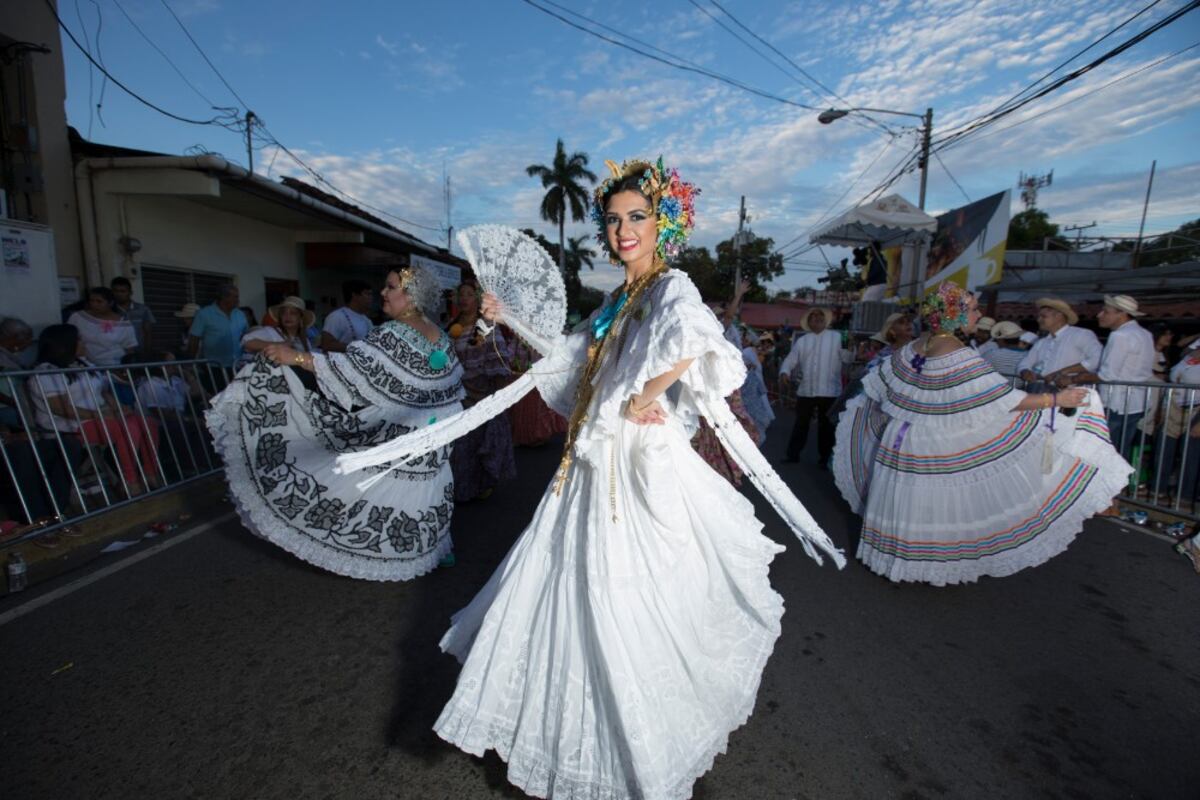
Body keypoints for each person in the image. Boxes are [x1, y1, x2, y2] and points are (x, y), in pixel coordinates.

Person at [353, 159, 840, 799]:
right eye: (612, 220)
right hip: (588, 462)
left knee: (626, 589)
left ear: (664, 224)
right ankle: (576, 733)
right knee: (572, 583)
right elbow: (569, 354)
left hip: (633, 459)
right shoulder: (616, 300)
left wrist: (646, 393)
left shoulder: (670, 286)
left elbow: (696, 338)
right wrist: (508, 317)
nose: (622, 230)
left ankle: (640, 739)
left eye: (637, 217)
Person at [832, 281, 1131, 585]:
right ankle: (923, 563)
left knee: (907, 495)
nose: (978, 315)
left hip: (900, 434)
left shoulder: (915, 346)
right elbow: (1000, 398)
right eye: (973, 309)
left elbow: (884, 385)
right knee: (932, 498)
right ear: (956, 314)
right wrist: (1056, 400)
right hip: (932, 440)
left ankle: (896, 559)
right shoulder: (958, 353)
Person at [206, 266, 464, 580]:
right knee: (430, 483)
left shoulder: (394, 333)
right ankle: (435, 548)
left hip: (408, 429)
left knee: (370, 476)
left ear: (410, 295)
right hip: (437, 431)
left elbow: (355, 369)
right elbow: (444, 385)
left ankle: (397, 552)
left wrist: (295, 358)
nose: (382, 293)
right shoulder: (437, 334)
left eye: (390, 287)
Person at [29, 325, 161, 496]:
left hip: (98, 419)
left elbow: (103, 391)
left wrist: (118, 408)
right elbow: (61, 409)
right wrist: (100, 415)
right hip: (69, 426)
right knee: (125, 428)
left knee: (147, 423)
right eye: (79, 339)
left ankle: (150, 473)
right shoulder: (46, 372)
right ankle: (130, 481)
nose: (83, 342)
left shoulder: (83, 365)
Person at [445, 280, 517, 502]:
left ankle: (481, 483)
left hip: (480, 394)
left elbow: (494, 357)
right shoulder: (450, 326)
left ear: (477, 299)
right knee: (460, 444)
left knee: (480, 441)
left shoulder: (483, 325)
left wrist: (497, 396)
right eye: (461, 295)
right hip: (456, 394)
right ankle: (461, 487)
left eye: (469, 294)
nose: (464, 299)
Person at [1073, 295, 1156, 457]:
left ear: (1121, 314)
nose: (1099, 315)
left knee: (1102, 452)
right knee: (1120, 451)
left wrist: (1075, 378)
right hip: (1136, 403)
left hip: (1116, 403)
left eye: (1106, 311)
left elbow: (1107, 375)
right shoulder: (1145, 333)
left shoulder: (1120, 336)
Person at [779, 306, 847, 467]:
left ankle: (825, 459)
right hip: (806, 389)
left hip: (829, 390)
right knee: (800, 424)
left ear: (825, 320)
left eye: (820, 316)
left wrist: (850, 349)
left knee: (826, 427)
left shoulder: (837, 337)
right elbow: (791, 359)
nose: (817, 318)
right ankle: (793, 455)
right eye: (813, 316)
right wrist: (784, 371)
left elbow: (848, 358)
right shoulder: (802, 341)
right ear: (809, 321)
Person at [1017, 297, 1102, 390]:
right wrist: (1025, 371)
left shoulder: (1081, 334)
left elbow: (1097, 359)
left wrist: (1063, 372)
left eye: (1043, 316)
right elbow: (1025, 363)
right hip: (1043, 391)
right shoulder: (1042, 342)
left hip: (1071, 392)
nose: (1038, 320)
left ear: (1059, 316)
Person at [240, 296, 319, 380]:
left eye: (293, 313)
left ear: (301, 318)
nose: (287, 316)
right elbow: (247, 342)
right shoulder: (271, 332)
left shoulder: (304, 340)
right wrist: (279, 345)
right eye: (284, 313)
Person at [67, 287, 139, 367]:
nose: (94, 304)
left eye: (99, 301)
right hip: (86, 366)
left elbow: (129, 349)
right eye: (92, 301)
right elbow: (69, 340)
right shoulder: (78, 318)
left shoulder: (124, 324)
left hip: (115, 366)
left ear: (110, 303)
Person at [187, 284, 249, 371]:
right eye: (235, 297)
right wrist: (191, 363)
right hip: (214, 367)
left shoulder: (240, 314)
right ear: (224, 297)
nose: (237, 300)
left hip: (237, 366)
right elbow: (194, 339)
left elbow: (246, 336)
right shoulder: (204, 314)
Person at [320, 280, 374, 353]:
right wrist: (357, 348)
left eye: (371, 294)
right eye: (367, 294)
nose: (371, 298)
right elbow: (327, 345)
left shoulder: (367, 320)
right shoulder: (336, 317)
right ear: (354, 295)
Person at [0, 317, 35, 429]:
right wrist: (14, 402)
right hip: (6, 408)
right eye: (27, 337)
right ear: (13, 338)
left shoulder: (9, 356)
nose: (29, 342)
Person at [110, 277, 156, 352]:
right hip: (117, 353)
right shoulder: (109, 310)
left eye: (122, 291)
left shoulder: (143, 309)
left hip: (139, 352)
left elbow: (148, 333)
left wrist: (147, 353)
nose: (119, 294)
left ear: (130, 292)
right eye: (115, 291)